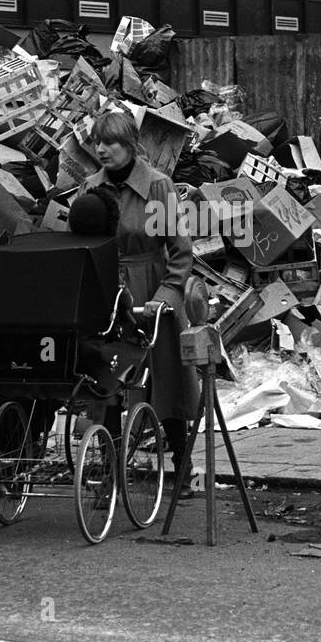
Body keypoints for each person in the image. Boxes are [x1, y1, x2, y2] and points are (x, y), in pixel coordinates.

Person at [78, 112, 199, 489]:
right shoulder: (89, 189)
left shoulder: (159, 187)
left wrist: (165, 298)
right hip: (108, 293)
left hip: (152, 290)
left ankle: (181, 464)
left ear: (131, 144)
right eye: (97, 141)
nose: (101, 149)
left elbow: (180, 252)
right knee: (108, 381)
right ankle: (111, 472)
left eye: (110, 142)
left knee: (166, 379)